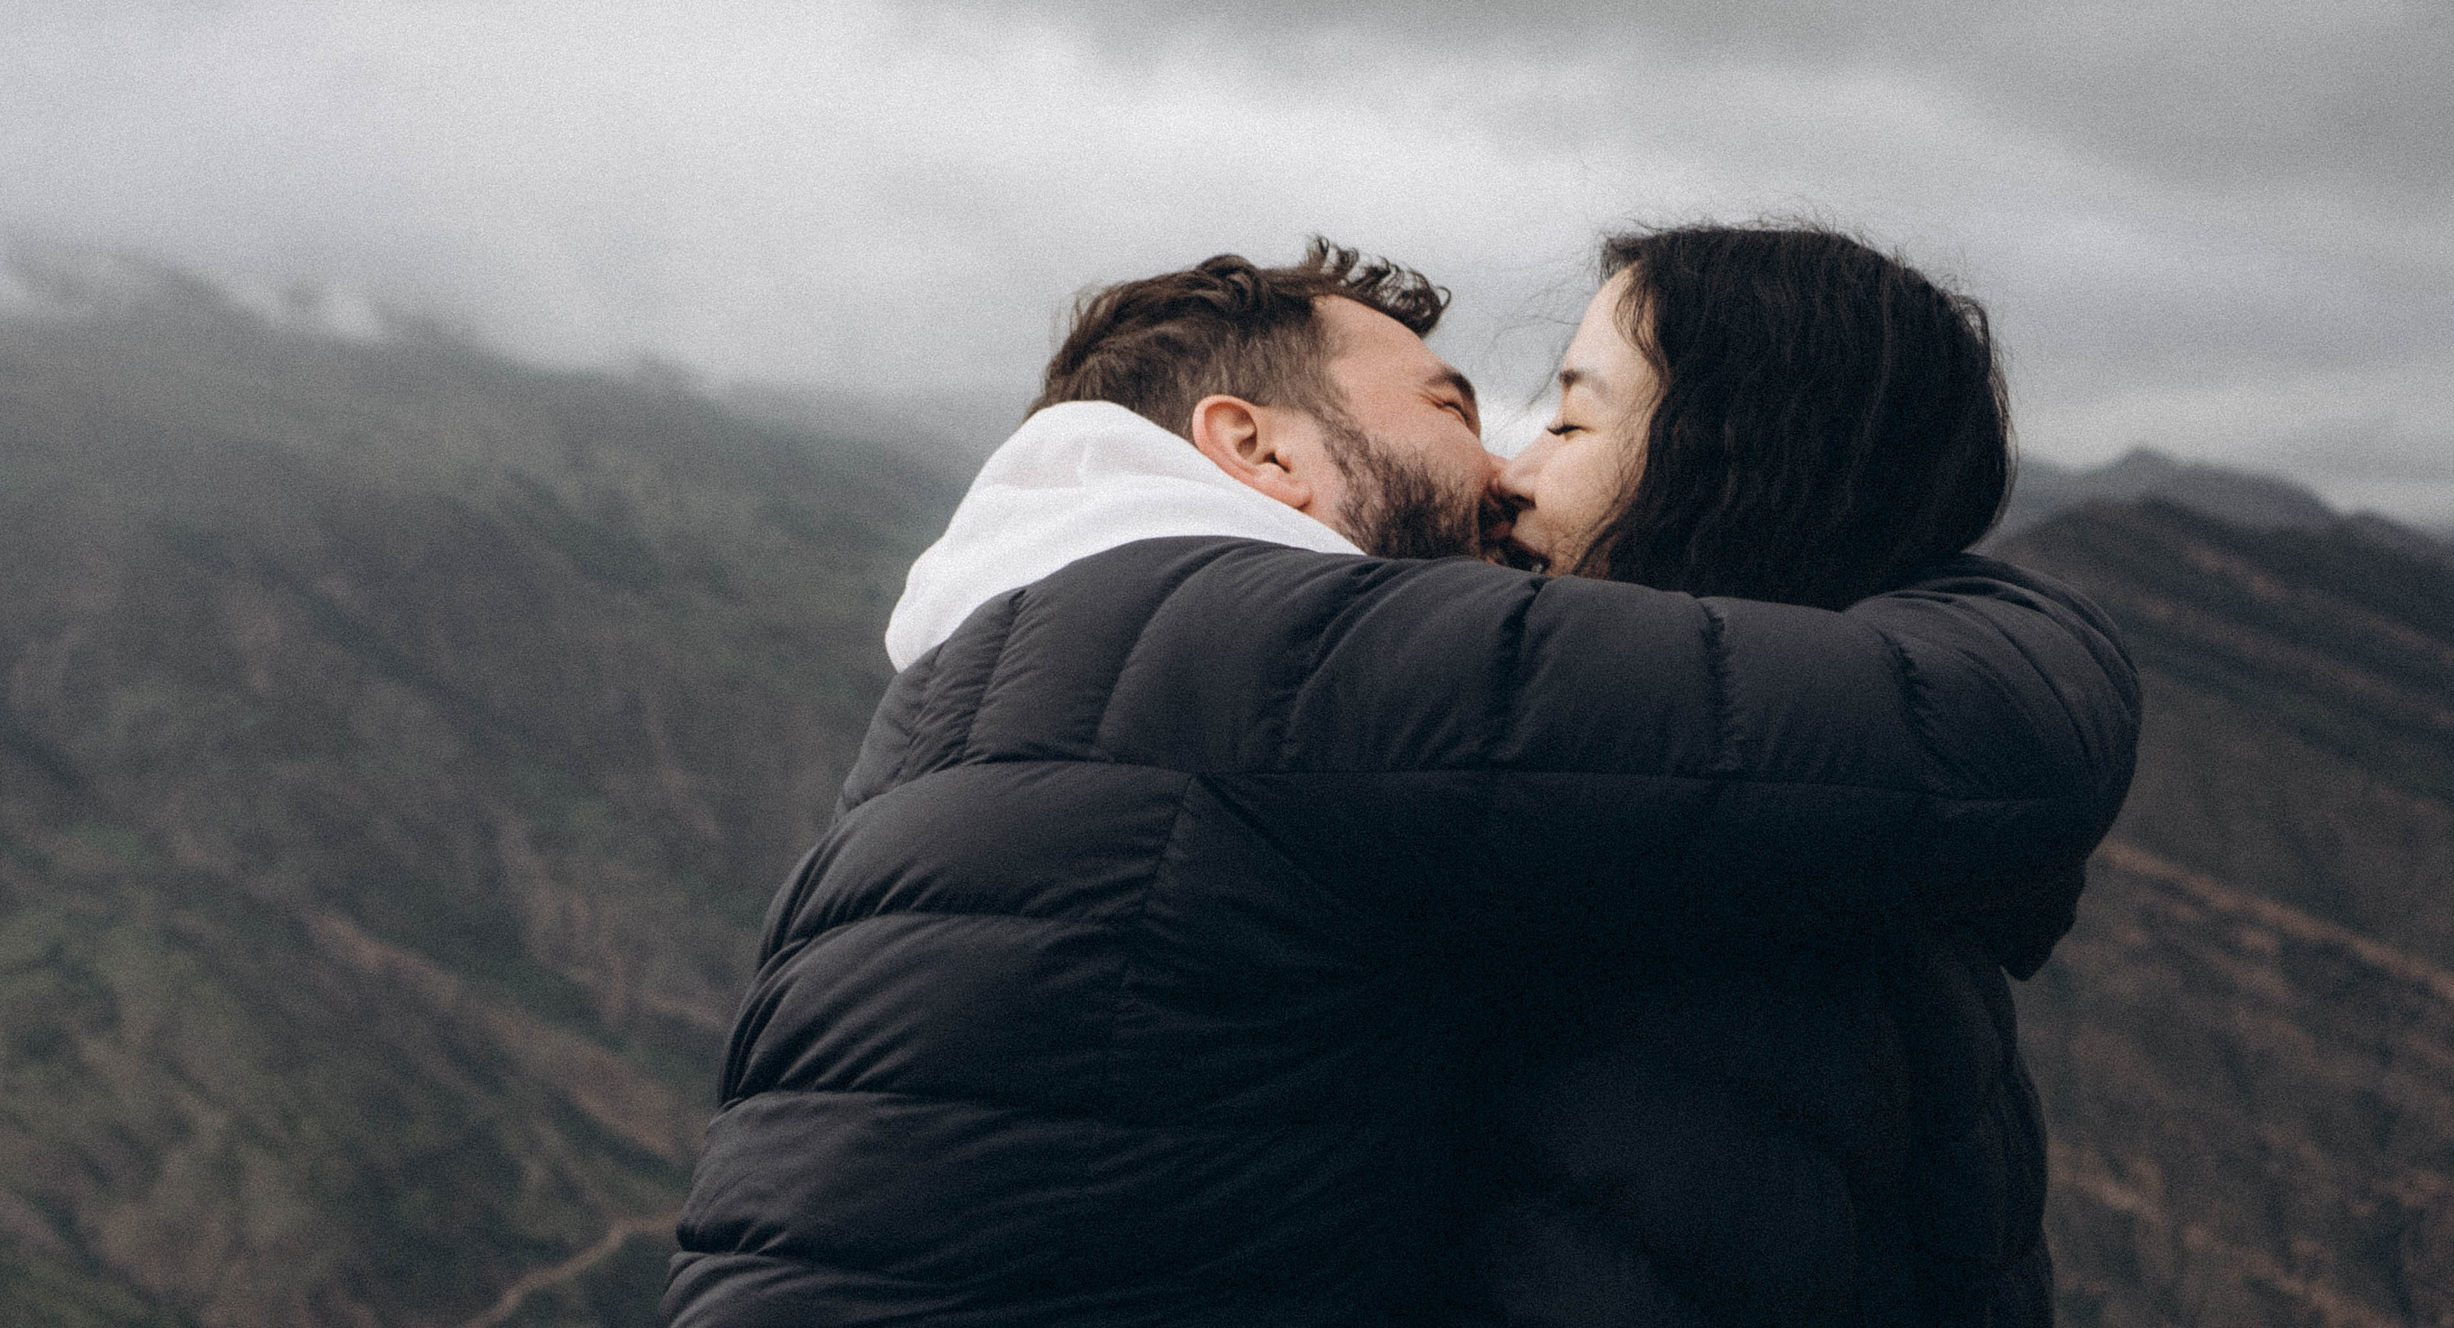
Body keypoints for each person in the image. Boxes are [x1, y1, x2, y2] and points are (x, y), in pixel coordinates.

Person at [664, 236, 2138, 1328]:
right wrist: (1974, 589)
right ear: (1255, 446)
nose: (1500, 472)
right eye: (1449, 407)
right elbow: (1981, 739)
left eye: (1563, 417)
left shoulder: (991, 679)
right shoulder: (1269, 654)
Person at [1454, 224, 2079, 1325]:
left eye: (1571, 420)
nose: (1513, 473)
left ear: (1739, 469)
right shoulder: (1840, 859)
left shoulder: (1707, 949)